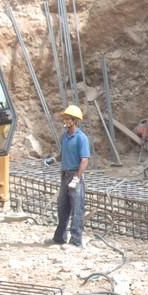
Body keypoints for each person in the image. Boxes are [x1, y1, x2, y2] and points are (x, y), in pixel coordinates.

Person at [52, 105, 90, 248]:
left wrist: (77, 177)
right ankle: (59, 238)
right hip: (64, 175)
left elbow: (84, 159)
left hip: (75, 176)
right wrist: (54, 159)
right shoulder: (65, 137)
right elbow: (62, 155)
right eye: (65, 118)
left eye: (67, 118)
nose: (65, 120)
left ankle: (76, 241)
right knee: (62, 207)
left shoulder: (81, 138)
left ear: (74, 120)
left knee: (77, 209)